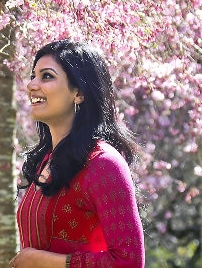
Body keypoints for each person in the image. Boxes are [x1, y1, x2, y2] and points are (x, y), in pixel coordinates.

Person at [10, 40, 144, 268]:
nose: (32, 85)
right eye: (33, 76)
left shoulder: (103, 163)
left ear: (79, 93)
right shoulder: (47, 160)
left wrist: (41, 261)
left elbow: (129, 261)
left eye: (47, 76)